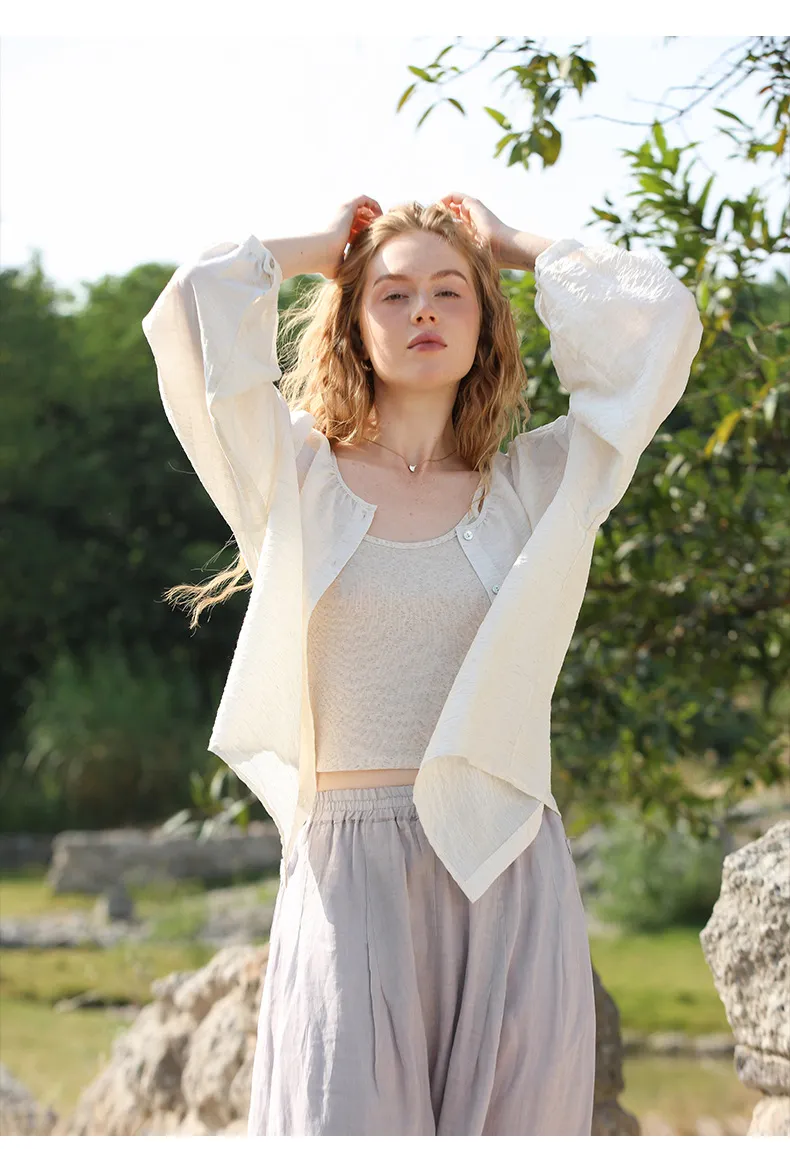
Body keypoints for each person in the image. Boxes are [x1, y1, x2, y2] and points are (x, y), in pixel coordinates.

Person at [141, 194, 703, 1135]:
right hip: (349, 874)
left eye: (450, 292)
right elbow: (193, 305)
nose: (424, 311)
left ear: (485, 322)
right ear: (353, 323)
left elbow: (659, 323)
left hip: (506, 864)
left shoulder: (535, 488)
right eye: (393, 294)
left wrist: (512, 245)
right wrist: (324, 247)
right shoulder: (293, 476)